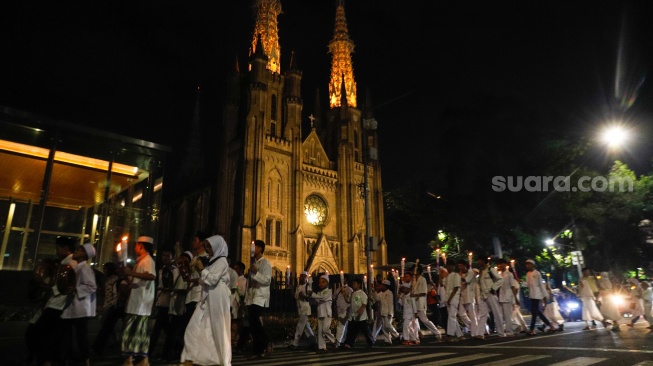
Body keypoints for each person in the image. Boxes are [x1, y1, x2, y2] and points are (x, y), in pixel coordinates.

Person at [181, 235, 232, 366]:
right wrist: (199, 270)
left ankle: (217, 358)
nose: (208, 249)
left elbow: (213, 279)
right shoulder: (213, 261)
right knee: (195, 326)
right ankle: (194, 356)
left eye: (210, 246)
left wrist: (202, 269)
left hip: (217, 296)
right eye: (207, 246)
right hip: (208, 295)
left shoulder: (222, 262)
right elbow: (205, 279)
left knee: (216, 326)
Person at [34, 236, 78, 366]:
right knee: (57, 335)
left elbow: (64, 285)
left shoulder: (70, 264)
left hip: (58, 304)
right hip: (58, 304)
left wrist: (47, 283)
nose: (56, 251)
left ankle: (47, 360)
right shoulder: (66, 263)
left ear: (65, 248)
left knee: (45, 333)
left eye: (58, 248)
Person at [121, 236, 156, 366]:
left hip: (140, 303)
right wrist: (127, 276)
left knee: (132, 331)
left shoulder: (148, 260)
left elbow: (151, 276)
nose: (135, 247)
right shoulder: (140, 261)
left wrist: (132, 273)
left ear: (141, 246)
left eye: (136, 245)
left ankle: (130, 359)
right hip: (137, 302)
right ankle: (142, 359)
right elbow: (135, 281)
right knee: (139, 331)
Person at [61, 243, 97, 366]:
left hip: (81, 309)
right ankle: (70, 358)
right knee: (69, 335)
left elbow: (92, 287)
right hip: (73, 307)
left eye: (78, 250)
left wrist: (75, 289)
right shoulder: (77, 267)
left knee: (81, 337)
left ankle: (86, 361)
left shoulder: (85, 269)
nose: (75, 251)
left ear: (84, 254)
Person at [245, 240, 272, 359]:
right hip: (252, 297)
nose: (252, 248)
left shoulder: (265, 263)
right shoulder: (254, 263)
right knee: (253, 324)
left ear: (260, 248)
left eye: (254, 246)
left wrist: (256, 273)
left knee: (255, 322)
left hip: (260, 297)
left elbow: (267, 280)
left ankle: (266, 342)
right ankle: (259, 350)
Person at [93, 262, 126, 356]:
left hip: (114, 305)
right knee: (107, 325)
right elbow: (107, 292)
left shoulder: (114, 279)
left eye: (106, 269)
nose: (104, 271)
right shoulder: (109, 279)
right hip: (112, 305)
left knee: (107, 325)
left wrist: (108, 305)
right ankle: (113, 342)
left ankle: (103, 345)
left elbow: (114, 293)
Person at [162, 251, 190, 362]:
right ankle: (173, 352)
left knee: (175, 331)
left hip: (182, 306)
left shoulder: (189, 272)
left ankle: (170, 354)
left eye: (184, 260)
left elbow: (186, 288)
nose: (181, 262)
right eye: (180, 260)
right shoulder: (174, 271)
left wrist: (175, 290)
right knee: (172, 331)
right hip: (173, 304)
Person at [149, 248, 176, 357]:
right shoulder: (161, 269)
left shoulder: (174, 270)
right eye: (163, 255)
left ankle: (149, 351)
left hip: (167, 302)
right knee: (167, 328)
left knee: (157, 328)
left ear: (172, 257)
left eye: (167, 256)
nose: (164, 258)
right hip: (161, 301)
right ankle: (177, 345)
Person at [410, 265, 443, 341]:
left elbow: (424, 292)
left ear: (418, 271)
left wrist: (415, 295)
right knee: (413, 319)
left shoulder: (423, 279)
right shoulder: (414, 280)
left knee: (424, 319)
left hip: (420, 302)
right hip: (414, 302)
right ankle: (418, 334)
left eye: (414, 270)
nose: (412, 272)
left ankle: (437, 333)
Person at [525, 259, 557, 334]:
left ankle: (532, 329)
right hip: (532, 295)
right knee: (537, 312)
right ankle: (551, 325)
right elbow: (527, 284)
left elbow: (541, 285)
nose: (527, 266)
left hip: (537, 294)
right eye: (526, 264)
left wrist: (545, 295)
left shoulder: (537, 273)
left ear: (532, 265)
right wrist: (519, 282)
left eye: (529, 264)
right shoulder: (528, 274)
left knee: (534, 313)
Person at [477, 256, 506, 337]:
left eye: (479, 260)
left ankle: (501, 332)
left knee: (496, 313)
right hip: (483, 295)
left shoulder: (490, 269)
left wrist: (493, 288)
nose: (478, 262)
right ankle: (480, 333)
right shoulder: (481, 271)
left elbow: (500, 279)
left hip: (490, 294)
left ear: (483, 261)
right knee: (482, 314)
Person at [343, 278, 375, 348]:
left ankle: (371, 342)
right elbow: (348, 301)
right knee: (351, 330)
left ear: (359, 285)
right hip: (353, 316)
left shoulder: (362, 293)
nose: (353, 285)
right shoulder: (352, 293)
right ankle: (349, 343)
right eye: (352, 284)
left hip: (361, 317)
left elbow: (364, 302)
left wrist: (361, 309)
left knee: (366, 331)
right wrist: (344, 294)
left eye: (354, 284)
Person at [309, 274, 336, 353]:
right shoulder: (319, 293)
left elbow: (322, 298)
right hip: (320, 313)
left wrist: (313, 294)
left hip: (327, 313)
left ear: (327, 283)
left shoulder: (329, 291)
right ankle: (322, 348)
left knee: (325, 329)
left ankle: (334, 340)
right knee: (320, 331)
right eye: (320, 282)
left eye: (323, 282)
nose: (320, 284)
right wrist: (311, 293)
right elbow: (317, 300)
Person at [289, 271, 316, 349]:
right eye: (301, 276)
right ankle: (313, 342)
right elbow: (295, 296)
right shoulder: (298, 286)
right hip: (300, 308)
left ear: (306, 277)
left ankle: (295, 343)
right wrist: (291, 289)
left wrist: (303, 295)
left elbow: (309, 297)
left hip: (305, 308)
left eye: (304, 276)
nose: (302, 277)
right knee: (306, 327)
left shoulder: (308, 286)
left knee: (300, 326)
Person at [457, 261, 481, 338]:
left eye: (461, 266)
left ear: (465, 266)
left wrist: (458, 276)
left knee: (472, 315)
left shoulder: (471, 272)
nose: (459, 268)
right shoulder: (460, 274)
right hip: (462, 296)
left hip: (470, 296)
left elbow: (466, 280)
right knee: (461, 313)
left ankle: (475, 333)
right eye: (459, 266)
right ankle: (472, 326)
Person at [496, 259, 518, 336]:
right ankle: (506, 329)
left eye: (501, 264)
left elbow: (513, 287)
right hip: (501, 297)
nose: (500, 266)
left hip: (508, 297)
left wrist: (516, 298)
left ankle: (509, 331)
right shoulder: (499, 275)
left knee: (507, 316)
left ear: (505, 264)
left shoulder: (509, 274)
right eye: (499, 264)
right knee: (502, 315)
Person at [443, 261, 463, 341]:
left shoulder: (456, 275)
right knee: (452, 316)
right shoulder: (447, 276)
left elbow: (456, 288)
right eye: (447, 266)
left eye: (450, 266)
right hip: (448, 298)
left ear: (453, 266)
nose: (448, 267)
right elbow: (442, 284)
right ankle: (460, 335)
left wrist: (450, 299)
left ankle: (450, 335)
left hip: (454, 298)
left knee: (452, 316)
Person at [377, 279, 400, 345]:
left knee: (388, 325)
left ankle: (397, 335)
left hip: (388, 313)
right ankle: (387, 340)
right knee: (384, 327)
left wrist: (390, 313)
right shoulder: (381, 293)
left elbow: (390, 303)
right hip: (383, 312)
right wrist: (374, 292)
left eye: (382, 285)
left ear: (386, 286)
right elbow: (376, 298)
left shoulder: (389, 293)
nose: (381, 286)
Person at [334, 276, 353, 346]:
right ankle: (343, 340)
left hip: (345, 310)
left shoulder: (349, 289)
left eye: (344, 279)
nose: (343, 280)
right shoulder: (338, 289)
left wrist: (344, 293)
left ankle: (338, 341)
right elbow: (334, 297)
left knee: (341, 325)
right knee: (344, 326)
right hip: (339, 310)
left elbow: (350, 300)